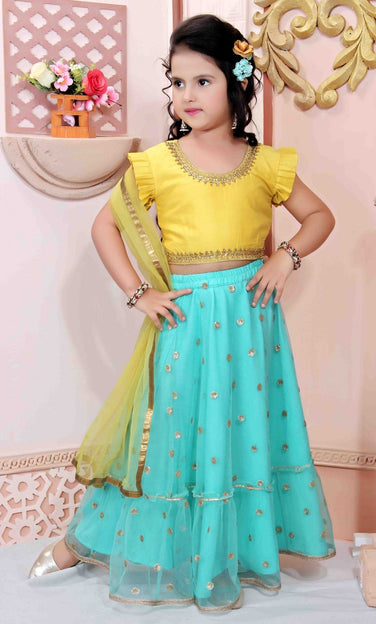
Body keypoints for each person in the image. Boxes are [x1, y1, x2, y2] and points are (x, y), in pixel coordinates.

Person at [28, 14, 336, 612]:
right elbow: (105, 228)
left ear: (237, 83)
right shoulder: (159, 163)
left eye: (203, 80)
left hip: (251, 320)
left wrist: (286, 257)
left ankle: (230, 552)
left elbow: (321, 217)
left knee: (242, 429)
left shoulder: (266, 163)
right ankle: (84, 542)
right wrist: (139, 293)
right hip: (186, 321)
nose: (186, 95)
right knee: (169, 431)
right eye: (177, 82)